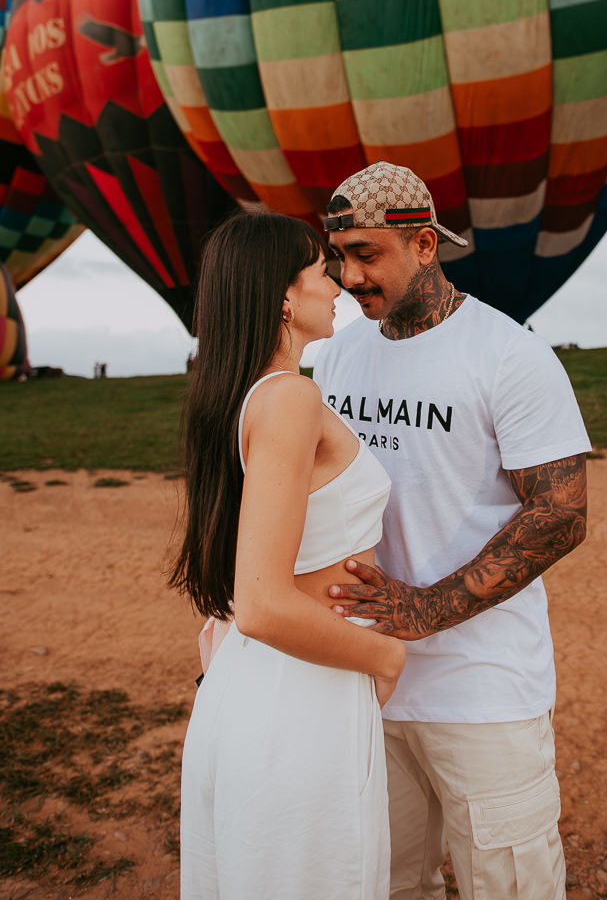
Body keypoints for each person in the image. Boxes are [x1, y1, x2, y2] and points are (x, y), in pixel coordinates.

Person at [313, 162, 591, 900]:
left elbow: (560, 512)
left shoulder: (508, 354)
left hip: (482, 689)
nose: (348, 277)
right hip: (365, 680)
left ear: (426, 245)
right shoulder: (334, 359)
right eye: (338, 258)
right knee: (389, 881)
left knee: (509, 885)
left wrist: (428, 609)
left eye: (366, 254)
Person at [170, 207, 405, 900]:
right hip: (303, 691)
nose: (336, 286)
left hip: (258, 686)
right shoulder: (291, 401)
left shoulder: (236, 398)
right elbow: (266, 605)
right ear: (281, 295)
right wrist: (384, 656)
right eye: (318, 272)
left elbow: (244, 576)